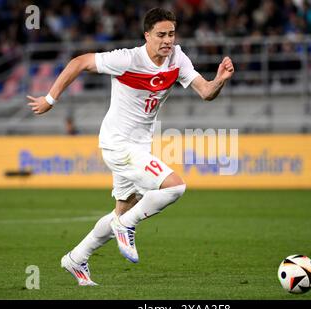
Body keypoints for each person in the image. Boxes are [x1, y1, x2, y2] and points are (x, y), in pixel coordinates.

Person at [27, 8, 234, 286]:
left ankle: (77, 258)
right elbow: (79, 62)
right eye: (160, 34)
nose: (167, 40)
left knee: (122, 210)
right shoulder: (127, 59)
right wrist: (50, 100)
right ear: (147, 35)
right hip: (117, 143)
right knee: (174, 187)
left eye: (171, 34)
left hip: (139, 147)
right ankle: (126, 226)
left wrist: (219, 80)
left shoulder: (178, 59)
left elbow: (206, 92)